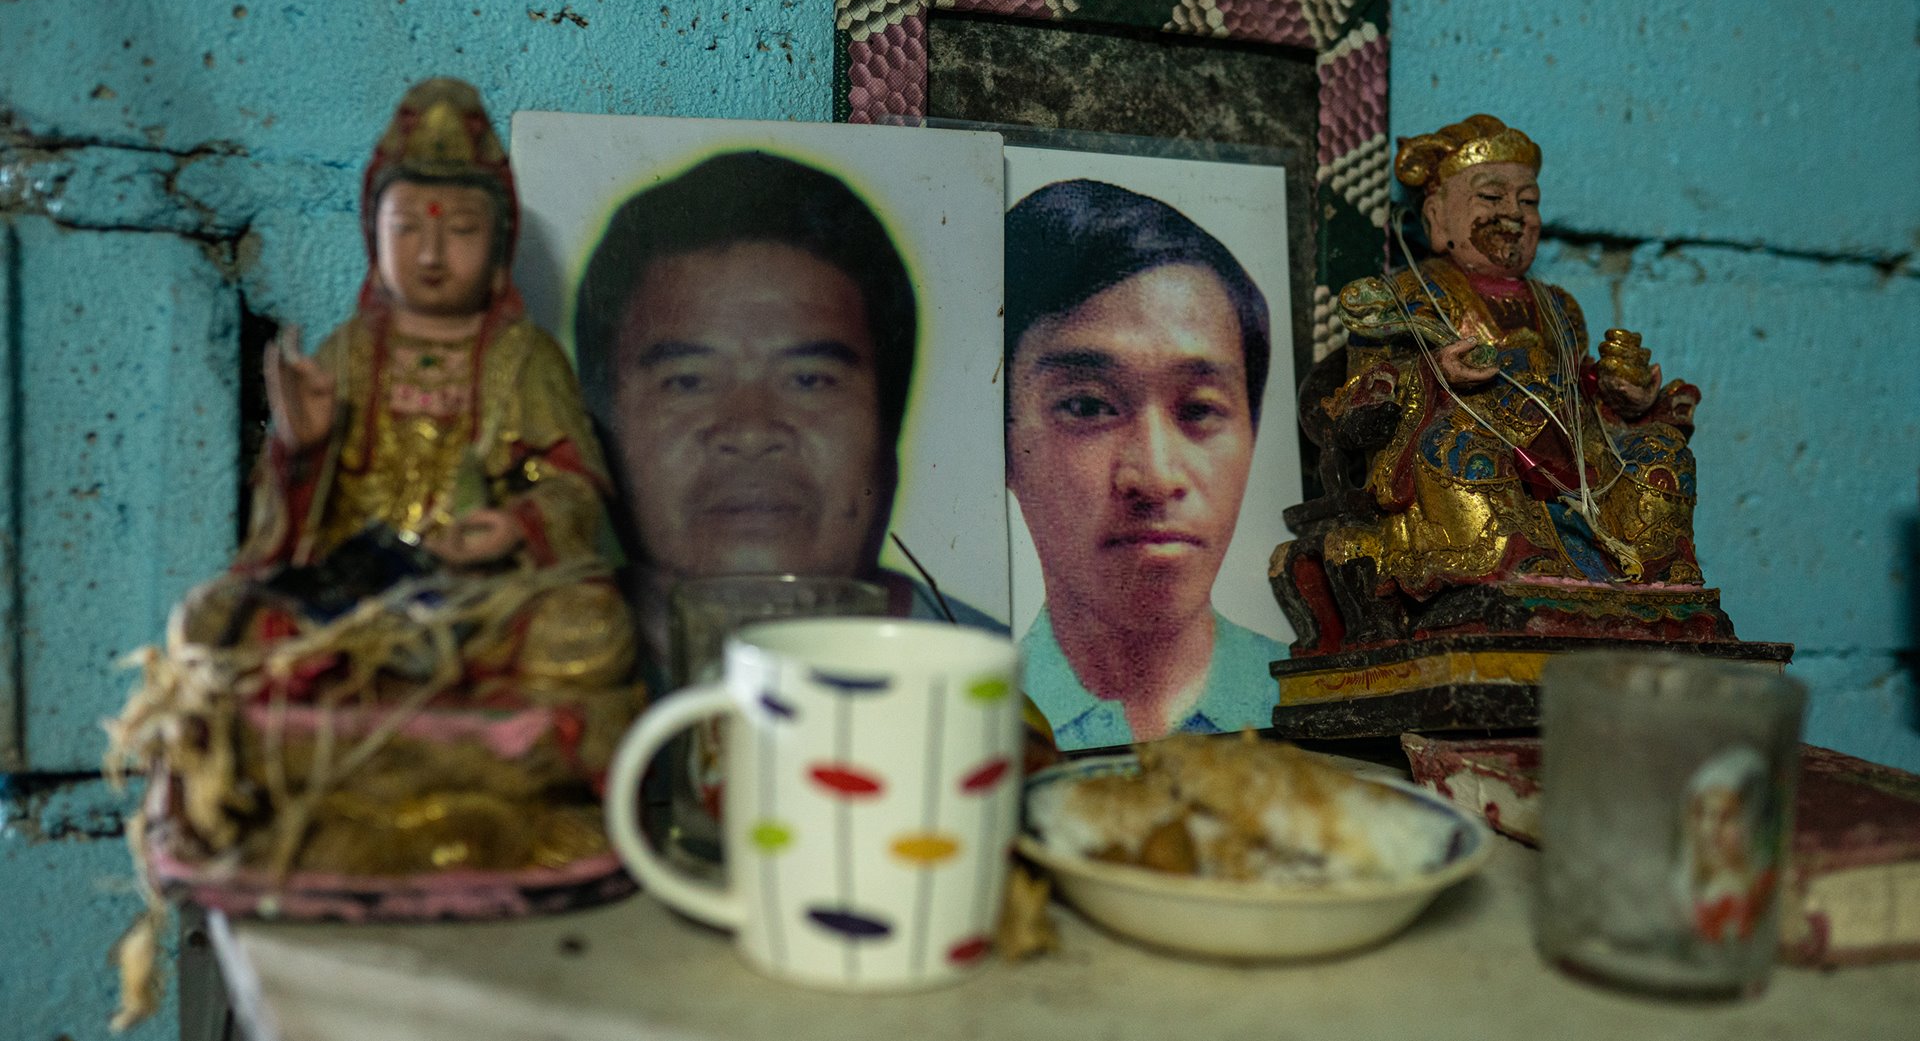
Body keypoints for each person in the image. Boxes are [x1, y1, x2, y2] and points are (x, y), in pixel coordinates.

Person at [169, 78, 636, 695]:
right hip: (354, 588)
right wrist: (302, 450)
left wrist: (518, 526)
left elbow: (577, 490)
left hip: (480, 593)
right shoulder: (348, 352)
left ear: (500, 245)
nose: (432, 254)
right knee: (209, 621)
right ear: (374, 237)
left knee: (590, 630)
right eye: (408, 229)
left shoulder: (525, 358)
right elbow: (284, 534)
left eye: (462, 230)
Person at [573, 151, 1002, 678]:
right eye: (687, 382)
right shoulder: (495, 682)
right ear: (600, 429)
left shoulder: (1002, 693)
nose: (751, 430)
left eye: (809, 381)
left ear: (888, 430)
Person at [1315, 113, 1702, 606]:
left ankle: (1655, 571)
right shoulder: (1405, 295)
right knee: (1458, 446)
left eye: (1529, 202)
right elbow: (1359, 410)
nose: (1514, 214)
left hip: (1578, 467)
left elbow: (1579, 394)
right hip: (1482, 457)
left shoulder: (1560, 306)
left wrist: (1623, 400)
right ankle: (1513, 562)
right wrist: (1433, 376)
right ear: (1437, 217)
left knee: (1663, 454)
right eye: (1492, 198)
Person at [1004, 178, 1282, 748]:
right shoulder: (967, 727)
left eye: (1201, 410)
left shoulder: (1319, 702)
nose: (1155, 477)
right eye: (1087, 406)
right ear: (1003, 442)